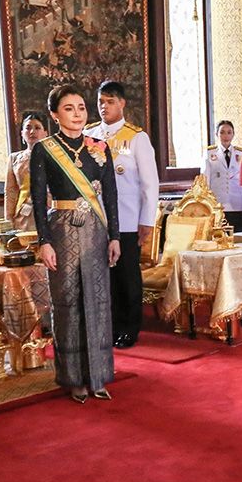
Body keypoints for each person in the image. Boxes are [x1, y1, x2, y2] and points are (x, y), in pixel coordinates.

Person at [30, 86, 119, 403]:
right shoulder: (45, 150)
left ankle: (98, 375)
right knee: (68, 302)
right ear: (55, 114)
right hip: (63, 231)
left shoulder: (100, 147)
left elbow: (110, 195)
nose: (78, 113)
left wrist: (115, 236)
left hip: (96, 230)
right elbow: (38, 200)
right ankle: (73, 378)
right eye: (69, 108)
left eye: (81, 107)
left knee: (97, 300)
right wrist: (44, 241)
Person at [84, 80, 158, 349]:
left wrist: (147, 221)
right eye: (101, 102)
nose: (104, 107)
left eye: (110, 101)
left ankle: (129, 327)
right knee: (103, 277)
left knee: (126, 275)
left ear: (122, 103)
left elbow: (150, 183)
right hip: (96, 219)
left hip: (127, 219)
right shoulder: (89, 135)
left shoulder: (136, 137)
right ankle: (108, 325)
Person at [201, 120, 242, 230]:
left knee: (238, 236)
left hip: (237, 202)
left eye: (229, 132)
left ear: (233, 134)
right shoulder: (210, 153)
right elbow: (205, 181)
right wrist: (206, 203)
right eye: (222, 132)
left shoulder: (241, 153)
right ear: (217, 134)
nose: (225, 136)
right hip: (218, 203)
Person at [5, 112, 48, 231]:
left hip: (49, 211)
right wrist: (8, 219)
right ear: (22, 133)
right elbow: (11, 191)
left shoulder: (55, 156)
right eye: (28, 128)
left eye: (37, 128)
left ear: (45, 133)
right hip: (24, 214)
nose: (32, 132)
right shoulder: (14, 158)